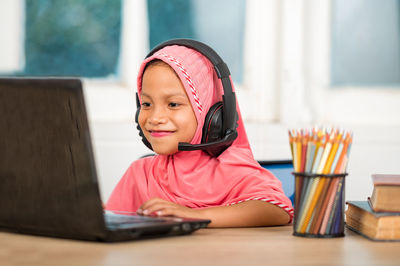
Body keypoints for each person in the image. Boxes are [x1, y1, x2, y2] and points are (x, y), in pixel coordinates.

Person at [106, 40, 294, 227]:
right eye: (146, 104)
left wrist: (194, 215)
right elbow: (111, 221)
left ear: (212, 113)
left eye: (173, 104)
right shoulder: (141, 174)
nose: (155, 118)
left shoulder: (232, 168)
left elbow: (277, 210)